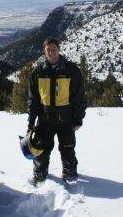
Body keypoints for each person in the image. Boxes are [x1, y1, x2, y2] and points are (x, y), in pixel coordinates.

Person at [27, 37, 87, 183]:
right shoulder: (38, 72)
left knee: (67, 149)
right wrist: (30, 122)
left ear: (59, 50)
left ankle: (70, 175)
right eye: (48, 50)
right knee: (41, 150)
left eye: (54, 49)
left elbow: (80, 97)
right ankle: (40, 175)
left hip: (66, 119)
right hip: (45, 119)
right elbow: (33, 100)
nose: (51, 52)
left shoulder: (71, 70)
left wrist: (78, 119)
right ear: (44, 51)